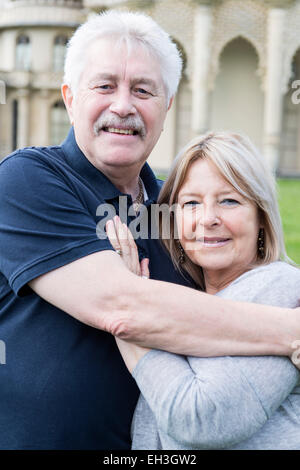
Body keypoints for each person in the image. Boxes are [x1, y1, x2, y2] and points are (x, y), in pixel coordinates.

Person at [0, 10, 299, 450]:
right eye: (104, 86)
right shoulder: (29, 180)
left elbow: (243, 287)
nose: (123, 105)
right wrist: (291, 331)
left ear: (167, 105)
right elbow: (122, 306)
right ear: (69, 97)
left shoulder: (177, 209)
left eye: (143, 90)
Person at [107, 131, 300, 450]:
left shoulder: (282, 288)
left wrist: (126, 308)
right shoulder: (187, 297)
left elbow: (200, 419)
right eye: (192, 203)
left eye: (229, 201)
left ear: (261, 218)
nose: (208, 219)